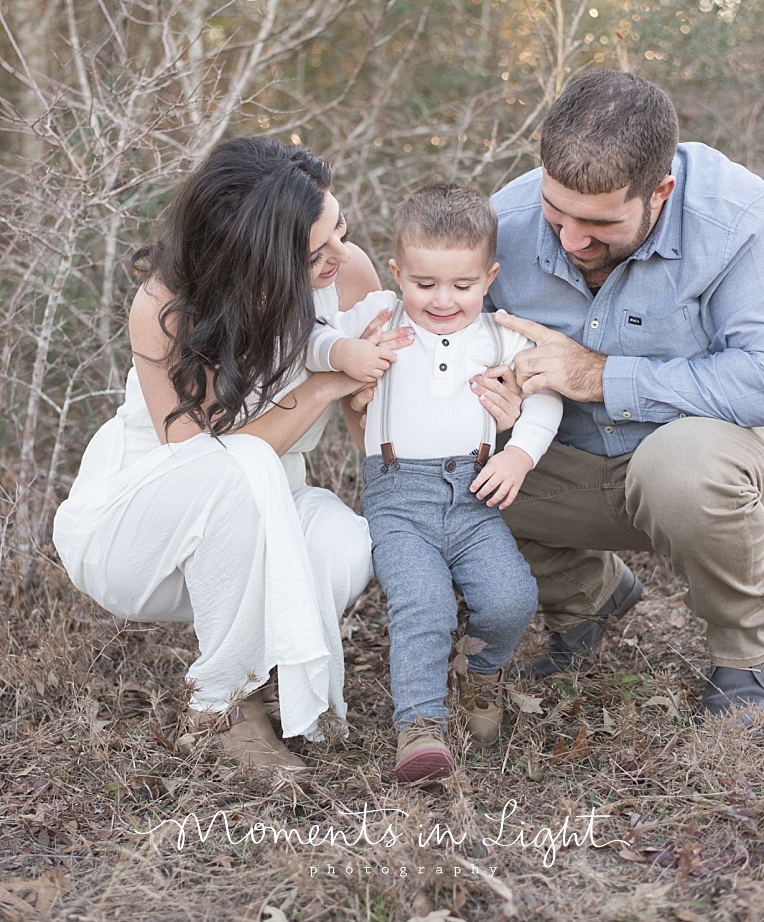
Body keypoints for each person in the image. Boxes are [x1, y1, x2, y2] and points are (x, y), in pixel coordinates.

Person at [52, 136, 413, 770]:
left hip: (265, 498)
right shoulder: (166, 306)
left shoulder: (348, 274)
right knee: (238, 468)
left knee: (345, 543)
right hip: (145, 522)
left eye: (340, 229)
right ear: (255, 258)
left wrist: (378, 398)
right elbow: (202, 458)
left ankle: (260, 669)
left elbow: (372, 431)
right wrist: (326, 383)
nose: (338, 256)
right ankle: (220, 709)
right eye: (313, 252)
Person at [485, 70, 764, 723]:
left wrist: (600, 375)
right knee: (445, 455)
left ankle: (746, 656)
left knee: (682, 469)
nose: (573, 241)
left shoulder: (740, 219)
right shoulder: (503, 221)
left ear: (660, 192)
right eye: (558, 216)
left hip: (703, 461)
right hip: (568, 457)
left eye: (599, 223)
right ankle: (586, 604)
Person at [310, 183, 562, 782]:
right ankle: (419, 729)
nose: (443, 300)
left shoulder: (501, 336)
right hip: (399, 498)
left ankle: (480, 673)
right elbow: (312, 335)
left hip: (475, 495)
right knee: (421, 605)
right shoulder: (377, 317)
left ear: (489, 275)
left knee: (510, 599)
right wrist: (345, 351)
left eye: (463, 285)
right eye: (424, 284)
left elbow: (546, 397)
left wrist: (519, 455)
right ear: (398, 273)